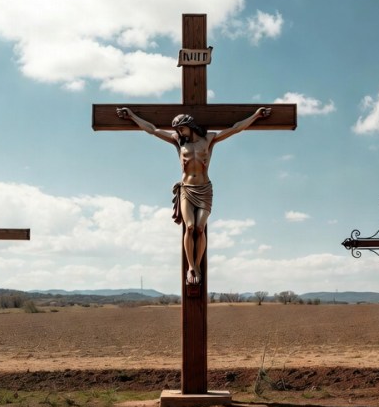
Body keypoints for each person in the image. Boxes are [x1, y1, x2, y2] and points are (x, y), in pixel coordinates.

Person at [116, 106, 271, 285]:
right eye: (177, 130)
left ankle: (197, 264)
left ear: (189, 125)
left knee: (200, 228)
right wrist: (132, 116)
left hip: (204, 189)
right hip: (187, 189)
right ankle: (192, 267)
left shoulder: (209, 139)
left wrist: (256, 116)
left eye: (181, 128)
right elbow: (152, 129)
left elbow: (236, 128)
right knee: (189, 227)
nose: (179, 132)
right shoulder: (178, 142)